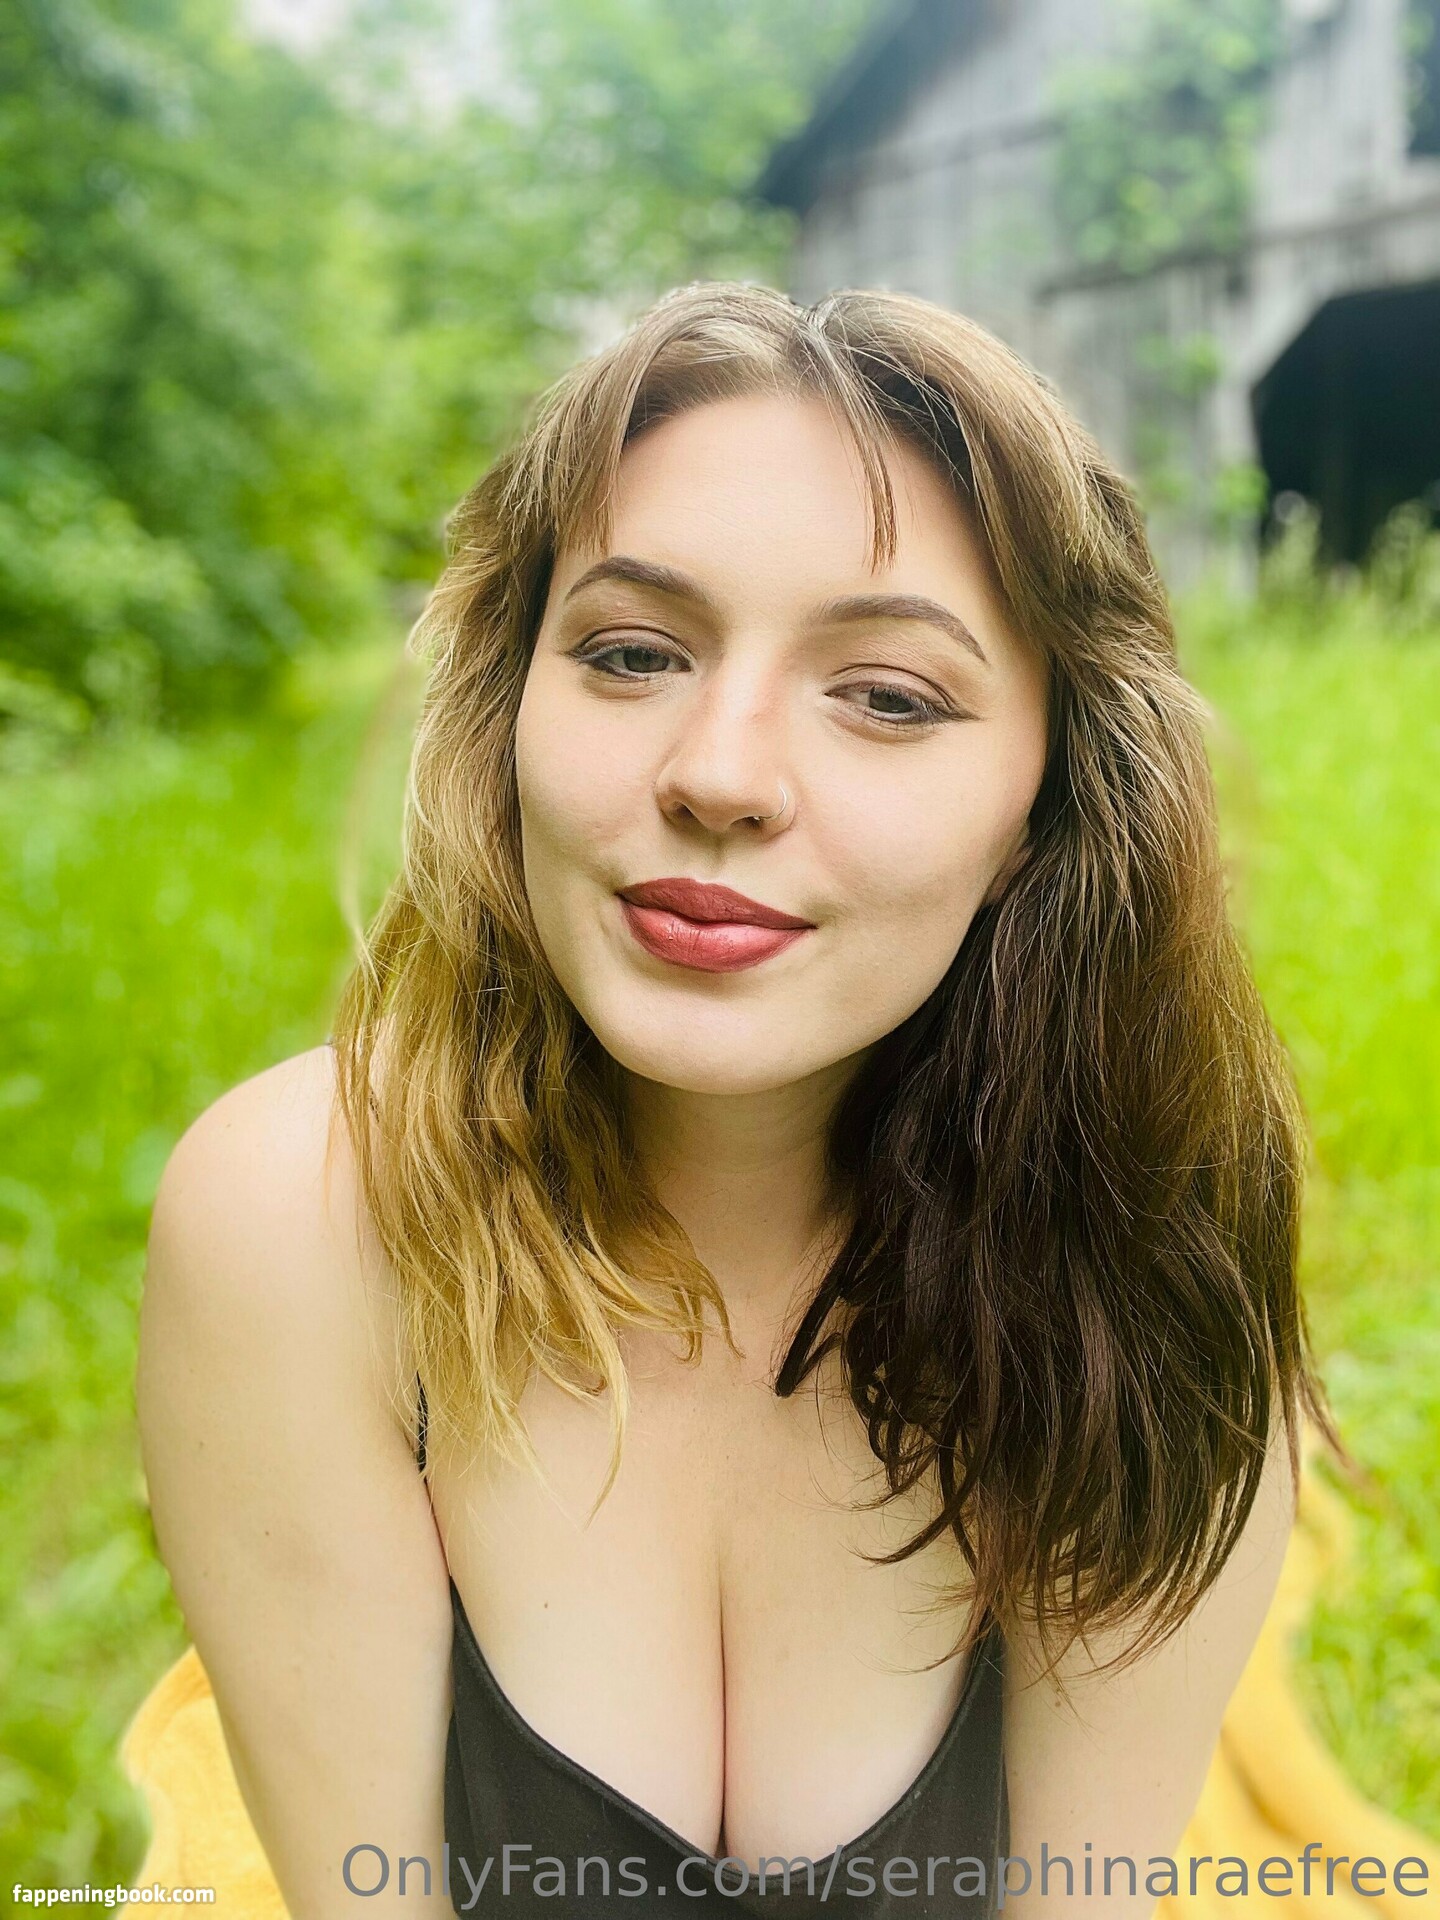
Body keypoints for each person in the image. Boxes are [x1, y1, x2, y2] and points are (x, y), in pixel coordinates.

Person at [135, 281, 1339, 1919]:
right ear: (507, 712)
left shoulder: (1148, 1244)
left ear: (1044, 809)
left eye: (888, 695)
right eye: (632, 653)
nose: (718, 771)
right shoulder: (297, 1223)